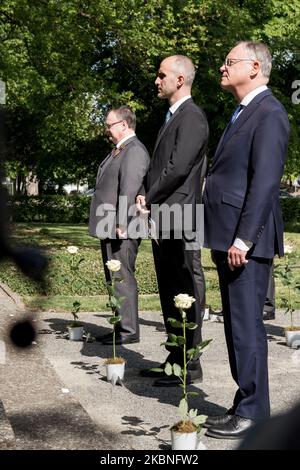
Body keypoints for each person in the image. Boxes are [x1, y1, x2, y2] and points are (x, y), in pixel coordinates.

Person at [203, 41, 290, 439]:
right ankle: (245, 402)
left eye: (229, 62)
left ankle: (255, 411)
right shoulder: (242, 112)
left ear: (254, 67)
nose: (222, 68)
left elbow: (265, 184)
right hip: (228, 236)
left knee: (247, 328)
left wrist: (244, 238)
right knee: (237, 327)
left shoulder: (269, 113)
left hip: (244, 241)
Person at [136, 55, 209, 386]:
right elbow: (162, 165)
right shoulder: (173, 116)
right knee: (169, 287)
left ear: (180, 80)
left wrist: (148, 197)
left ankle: (189, 363)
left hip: (181, 214)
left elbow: (178, 168)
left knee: (184, 285)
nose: (156, 80)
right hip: (166, 213)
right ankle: (175, 355)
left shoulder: (192, 117)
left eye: (161, 75)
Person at [89, 106, 149, 344]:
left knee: (122, 276)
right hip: (111, 223)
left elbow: (129, 188)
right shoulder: (120, 149)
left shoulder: (133, 150)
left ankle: (128, 331)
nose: (107, 129)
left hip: (122, 225)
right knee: (114, 277)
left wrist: (122, 222)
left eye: (109, 124)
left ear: (123, 125)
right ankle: (119, 326)